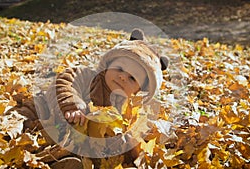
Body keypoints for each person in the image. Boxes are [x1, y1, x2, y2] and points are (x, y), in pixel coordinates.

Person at [10, 28, 169, 168]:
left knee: (102, 145)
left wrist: (130, 153)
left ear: (138, 90)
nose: (122, 77)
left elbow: (121, 133)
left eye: (132, 78)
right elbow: (65, 81)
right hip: (50, 110)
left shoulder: (126, 109)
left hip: (71, 137)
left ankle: (60, 160)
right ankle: (11, 134)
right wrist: (73, 105)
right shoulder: (88, 77)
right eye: (119, 69)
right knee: (27, 114)